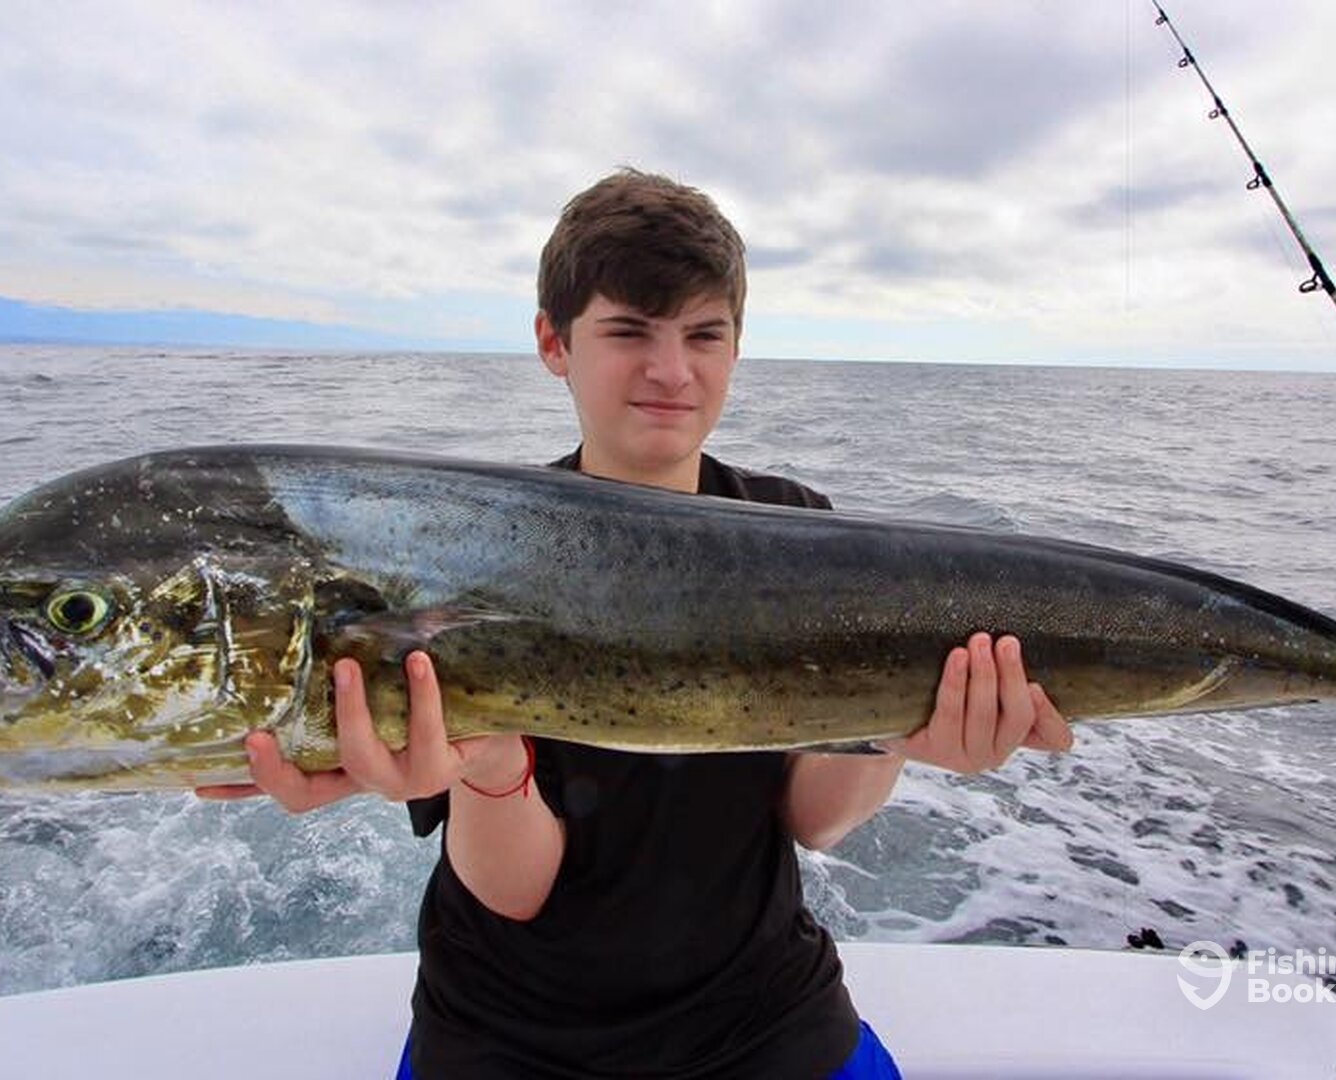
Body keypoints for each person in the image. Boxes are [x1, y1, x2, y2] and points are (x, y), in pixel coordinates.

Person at [200, 169, 1073, 1078]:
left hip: (764, 1019)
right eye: (629, 331)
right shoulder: (471, 549)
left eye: (704, 334)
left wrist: (901, 729)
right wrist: (490, 764)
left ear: (737, 346)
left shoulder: (798, 526)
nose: (671, 371)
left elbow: (814, 820)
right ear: (554, 342)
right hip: (509, 1040)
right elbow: (515, 891)